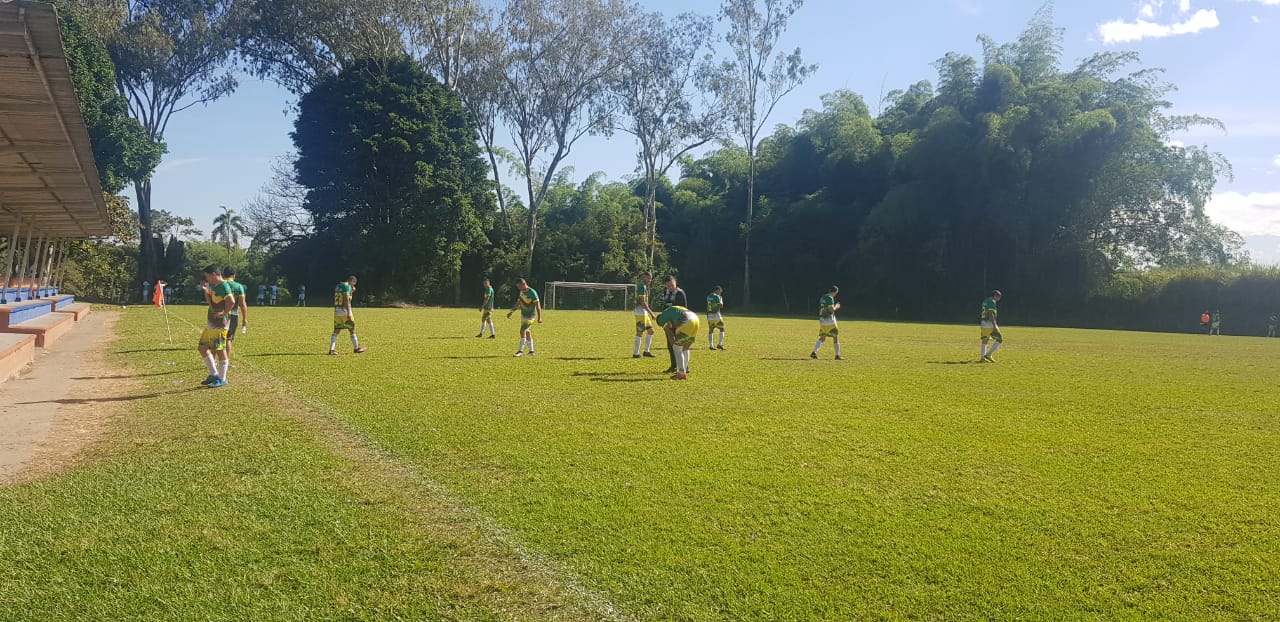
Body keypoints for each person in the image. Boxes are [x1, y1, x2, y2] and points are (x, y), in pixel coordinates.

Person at [197, 265, 235, 388]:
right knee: (202, 347)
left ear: (214, 274)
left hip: (220, 324)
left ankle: (222, 379)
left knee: (219, 349)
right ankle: (214, 375)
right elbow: (211, 303)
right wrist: (205, 290)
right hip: (212, 323)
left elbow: (231, 301)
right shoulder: (215, 286)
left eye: (207, 276)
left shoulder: (224, 286)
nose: (207, 279)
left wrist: (223, 313)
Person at [656, 305, 700, 380]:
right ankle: (683, 371)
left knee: (677, 348)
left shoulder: (662, 319)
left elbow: (669, 333)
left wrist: (674, 346)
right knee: (686, 348)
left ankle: (681, 374)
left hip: (686, 320)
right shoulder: (672, 311)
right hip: (695, 319)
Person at [221, 267, 249, 378]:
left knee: (218, 338)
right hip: (233, 315)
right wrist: (245, 318)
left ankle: (215, 360)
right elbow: (242, 304)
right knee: (228, 339)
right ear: (234, 275)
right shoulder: (238, 286)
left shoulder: (219, 285)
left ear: (223, 274)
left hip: (219, 314)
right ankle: (225, 362)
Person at [330, 276, 367, 355]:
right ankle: (356, 348)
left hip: (337, 311)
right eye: (353, 284)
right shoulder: (347, 286)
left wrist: (351, 291)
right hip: (345, 311)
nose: (353, 286)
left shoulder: (338, 286)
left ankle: (331, 350)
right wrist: (349, 312)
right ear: (352, 281)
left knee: (336, 330)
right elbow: (346, 300)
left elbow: (341, 296)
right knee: (352, 329)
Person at [506, 277, 542, 357]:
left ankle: (520, 351)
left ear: (523, 284)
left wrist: (539, 317)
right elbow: (519, 303)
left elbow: (538, 306)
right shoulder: (521, 292)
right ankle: (532, 352)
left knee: (522, 331)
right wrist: (511, 312)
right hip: (524, 315)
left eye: (519, 286)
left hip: (530, 316)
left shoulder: (532, 292)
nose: (518, 288)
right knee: (527, 332)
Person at [660, 275, 689, 372]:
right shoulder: (666, 292)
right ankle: (674, 366)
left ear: (675, 282)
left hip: (678, 322)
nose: (670, 287)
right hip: (668, 322)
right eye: (668, 286)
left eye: (672, 285)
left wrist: (679, 323)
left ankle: (685, 366)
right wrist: (665, 319)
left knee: (680, 344)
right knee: (670, 344)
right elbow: (665, 307)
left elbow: (684, 309)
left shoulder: (680, 293)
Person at [811, 286, 843, 360]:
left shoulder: (823, 297)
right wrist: (836, 306)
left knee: (823, 337)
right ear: (835, 292)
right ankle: (837, 355)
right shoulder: (829, 298)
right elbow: (831, 310)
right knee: (835, 336)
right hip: (829, 321)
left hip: (822, 320)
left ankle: (814, 352)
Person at [632, 272, 656, 358]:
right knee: (640, 332)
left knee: (651, 331)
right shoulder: (641, 286)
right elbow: (642, 303)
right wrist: (651, 313)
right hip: (640, 312)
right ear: (644, 278)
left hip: (644, 312)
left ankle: (646, 352)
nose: (650, 280)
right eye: (648, 278)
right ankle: (636, 353)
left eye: (650, 278)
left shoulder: (644, 286)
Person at [979, 289, 1003, 363]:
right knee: (1000, 339)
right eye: (998, 297)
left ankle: (982, 358)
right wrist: (994, 325)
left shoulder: (986, 300)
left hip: (983, 322)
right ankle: (989, 354)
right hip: (989, 323)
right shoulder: (992, 301)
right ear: (995, 296)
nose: (999, 299)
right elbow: (990, 314)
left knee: (985, 340)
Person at [706, 286, 726, 350]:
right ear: (717, 290)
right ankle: (720, 344)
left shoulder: (709, 296)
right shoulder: (717, 296)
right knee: (722, 329)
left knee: (711, 329)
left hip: (709, 315)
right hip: (716, 315)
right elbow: (721, 305)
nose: (720, 293)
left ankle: (711, 346)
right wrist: (721, 299)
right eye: (720, 291)